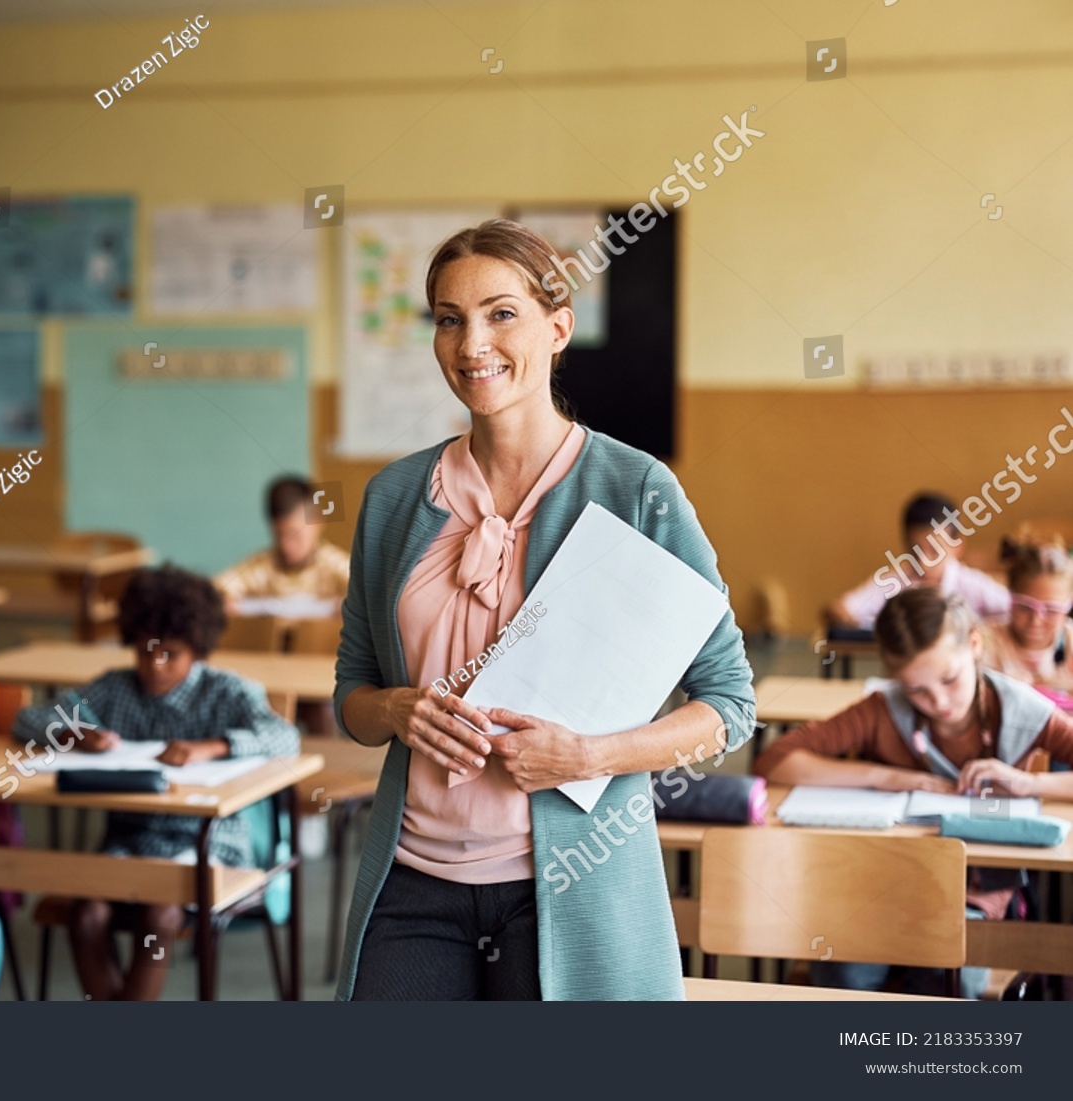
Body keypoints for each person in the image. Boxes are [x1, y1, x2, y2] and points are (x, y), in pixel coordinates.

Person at [332, 219, 755, 1001]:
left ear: (557, 328)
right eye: (449, 319)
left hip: (568, 886)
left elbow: (730, 703)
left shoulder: (637, 490)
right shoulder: (393, 498)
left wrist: (591, 756)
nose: (471, 344)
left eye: (501, 313)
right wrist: (396, 708)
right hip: (413, 886)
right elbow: (351, 698)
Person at [755, 588, 1073, 995]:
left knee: (945, 976)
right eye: (917, 690)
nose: (939, 702)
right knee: (844, 977)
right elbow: (776, 760)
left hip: (971, 893)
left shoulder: (1021, 710)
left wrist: (1030, 783)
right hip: (877, 886)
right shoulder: (884, 709)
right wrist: (884, 777)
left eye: (949, 679)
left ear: (974, 645)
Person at [11, 565, 300, 1000]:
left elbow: (285, 737)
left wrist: (213, 746)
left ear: (198, 650)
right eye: (145, 652)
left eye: (171, 654)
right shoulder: (116, 688)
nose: (155, 666)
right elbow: (29, 718)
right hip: (132, 838)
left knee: (161, 913)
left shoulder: (227, 692)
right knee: (86, 915)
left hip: (211, 841)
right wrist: (76, 733)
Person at [827, 492, 1010, 630]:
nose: (923, 562)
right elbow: (841, 608)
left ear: (957, 544)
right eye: (915, 551)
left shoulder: (972, 585)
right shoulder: (896, 581)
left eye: (935, 551)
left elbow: (1016, 611)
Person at [213, 475, 351, 612]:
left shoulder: (336, 565)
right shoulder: (261, 568)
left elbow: (368, 590)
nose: (286, 546)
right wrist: (224, 600)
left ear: (318, 521)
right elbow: (219, 588)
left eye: (295, 535)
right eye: (279, 535)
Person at [981, 539, 1073, 695]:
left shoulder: (1070, 642)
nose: (1036, 621)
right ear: (1010, 595)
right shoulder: (985, 641)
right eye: (1025, 607)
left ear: (1068, 605)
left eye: (1051, 610)